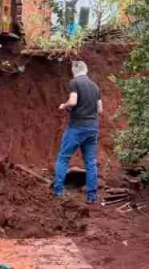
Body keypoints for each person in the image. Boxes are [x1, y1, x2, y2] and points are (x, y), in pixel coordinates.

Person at [53, 60, 103, 203]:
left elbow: (73, 101)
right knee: (91, 163)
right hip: (92, 128)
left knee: (63, 158)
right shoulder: (95, 87)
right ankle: (92, 197)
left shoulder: (75, 82)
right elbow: (100, 110)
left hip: (77, 127)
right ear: (86, 70)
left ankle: (58, 192)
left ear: (75, 70)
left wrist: (64, 105)